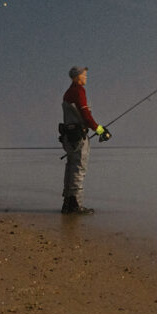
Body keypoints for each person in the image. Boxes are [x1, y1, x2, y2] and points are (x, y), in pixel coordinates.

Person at [60, 66, 110, 214]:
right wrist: (100, 130)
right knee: (78, 169)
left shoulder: (67, 93)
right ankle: (76, 205)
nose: (86, 77)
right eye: (84, 75)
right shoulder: (79, 91)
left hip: (68, 137)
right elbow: (86, 116)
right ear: (77, 77)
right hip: (77, 136)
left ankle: (67, 203)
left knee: (70, 168)